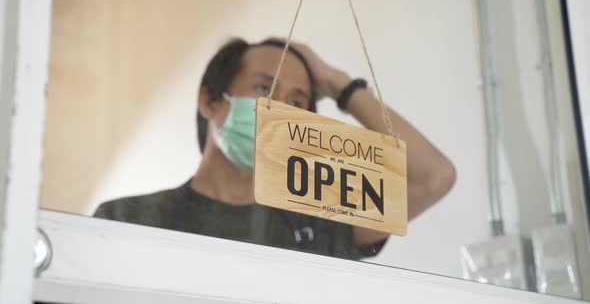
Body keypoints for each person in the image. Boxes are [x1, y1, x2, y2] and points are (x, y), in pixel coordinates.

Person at [94, 37, 456, 260]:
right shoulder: (128, 219)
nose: (279, 111)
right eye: (264, 89)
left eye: (296, 103)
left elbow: (432, 178)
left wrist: (338, 84)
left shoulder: (319, 224)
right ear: (210, 100)